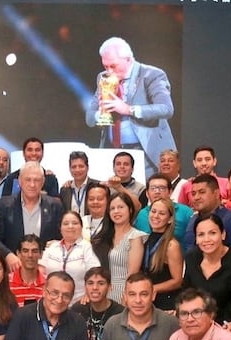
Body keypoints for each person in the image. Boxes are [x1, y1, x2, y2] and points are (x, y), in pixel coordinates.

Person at [85, 37, 176, 179]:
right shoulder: (103, 78)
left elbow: (166, 109)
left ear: (128, 59)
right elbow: (89, 117)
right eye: (105, 66)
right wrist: (101, 113)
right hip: (114, 154)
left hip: (145, 153)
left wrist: (128, 109)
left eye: (113, 66)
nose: (109, 71)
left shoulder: (151, 75)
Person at [183, 213, 231, 338]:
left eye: (212, 233)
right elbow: (187, 294)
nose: (207, 239)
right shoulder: (191, 257)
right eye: (201, 235)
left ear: (223, 234)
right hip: (196, 322)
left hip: (229, 324)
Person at [0, 161, 63, 272]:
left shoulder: (55, 206)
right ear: (20, 181)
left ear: (43, 182)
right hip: (13, 269)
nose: (32, 184)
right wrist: (8, 255)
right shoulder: (4, 205)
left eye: (37, 180)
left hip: (44, 270)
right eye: (28, 179)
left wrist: (57, 244)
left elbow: (62, 238)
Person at [92, 192, 145, 303]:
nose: (116, 211)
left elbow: (133, 274)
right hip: (102, 293)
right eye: (112, 208)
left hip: (123, 293)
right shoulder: (103, 237)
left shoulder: (135, 237)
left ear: (130, 210)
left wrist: (127, 296)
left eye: (120, 207)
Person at [38, 211, 101, 304]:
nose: (70, 226)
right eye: (66, 223)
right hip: (51, 301)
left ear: (81, 227)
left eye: (75, 223)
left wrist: (88, 294)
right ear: (60, 228)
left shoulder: (86, 247)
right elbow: (40, 272)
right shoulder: (52, 247)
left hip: (78, 302)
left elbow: (96, 274)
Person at [183, 174, 231, 251]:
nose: (196, 197)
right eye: (193, 194)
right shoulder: (192, 220)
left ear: (216, 193)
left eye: (202, 192)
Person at [141, 198, 183, 311]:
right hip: (147, 300)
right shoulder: (145, 239)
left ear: (170, 219)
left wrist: (152, 288)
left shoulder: (171, 245)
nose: (156, 216)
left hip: (165, 304)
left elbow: (177, 281)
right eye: (153, 211)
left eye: (162, 213)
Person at [134, 173, 193, 251]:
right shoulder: (141, 215)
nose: (157, 192)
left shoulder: (185, 212)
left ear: (170, 192)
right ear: (147, 193)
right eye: (153, 188)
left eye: (162, 188)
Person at [8, 234, 45, 306]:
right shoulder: (6, 283)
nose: (30, 255)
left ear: (41, 254)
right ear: (18, 254)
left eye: (34, 251)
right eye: (25, 251)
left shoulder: (48, 284)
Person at [60, 151, 99, 216]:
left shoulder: (97, 186)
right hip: (72, 225)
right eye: (74, 167)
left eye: (81, 166)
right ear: (69, 169)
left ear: (87, 167)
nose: (77, 170)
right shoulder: (65, 190)